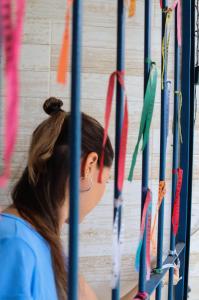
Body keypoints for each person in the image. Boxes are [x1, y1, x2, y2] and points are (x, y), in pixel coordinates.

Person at [0, 97, 179, 300]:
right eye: (107, 179)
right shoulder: (15, 244)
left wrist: (155, 280)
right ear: (89, 166)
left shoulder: (45, 245)